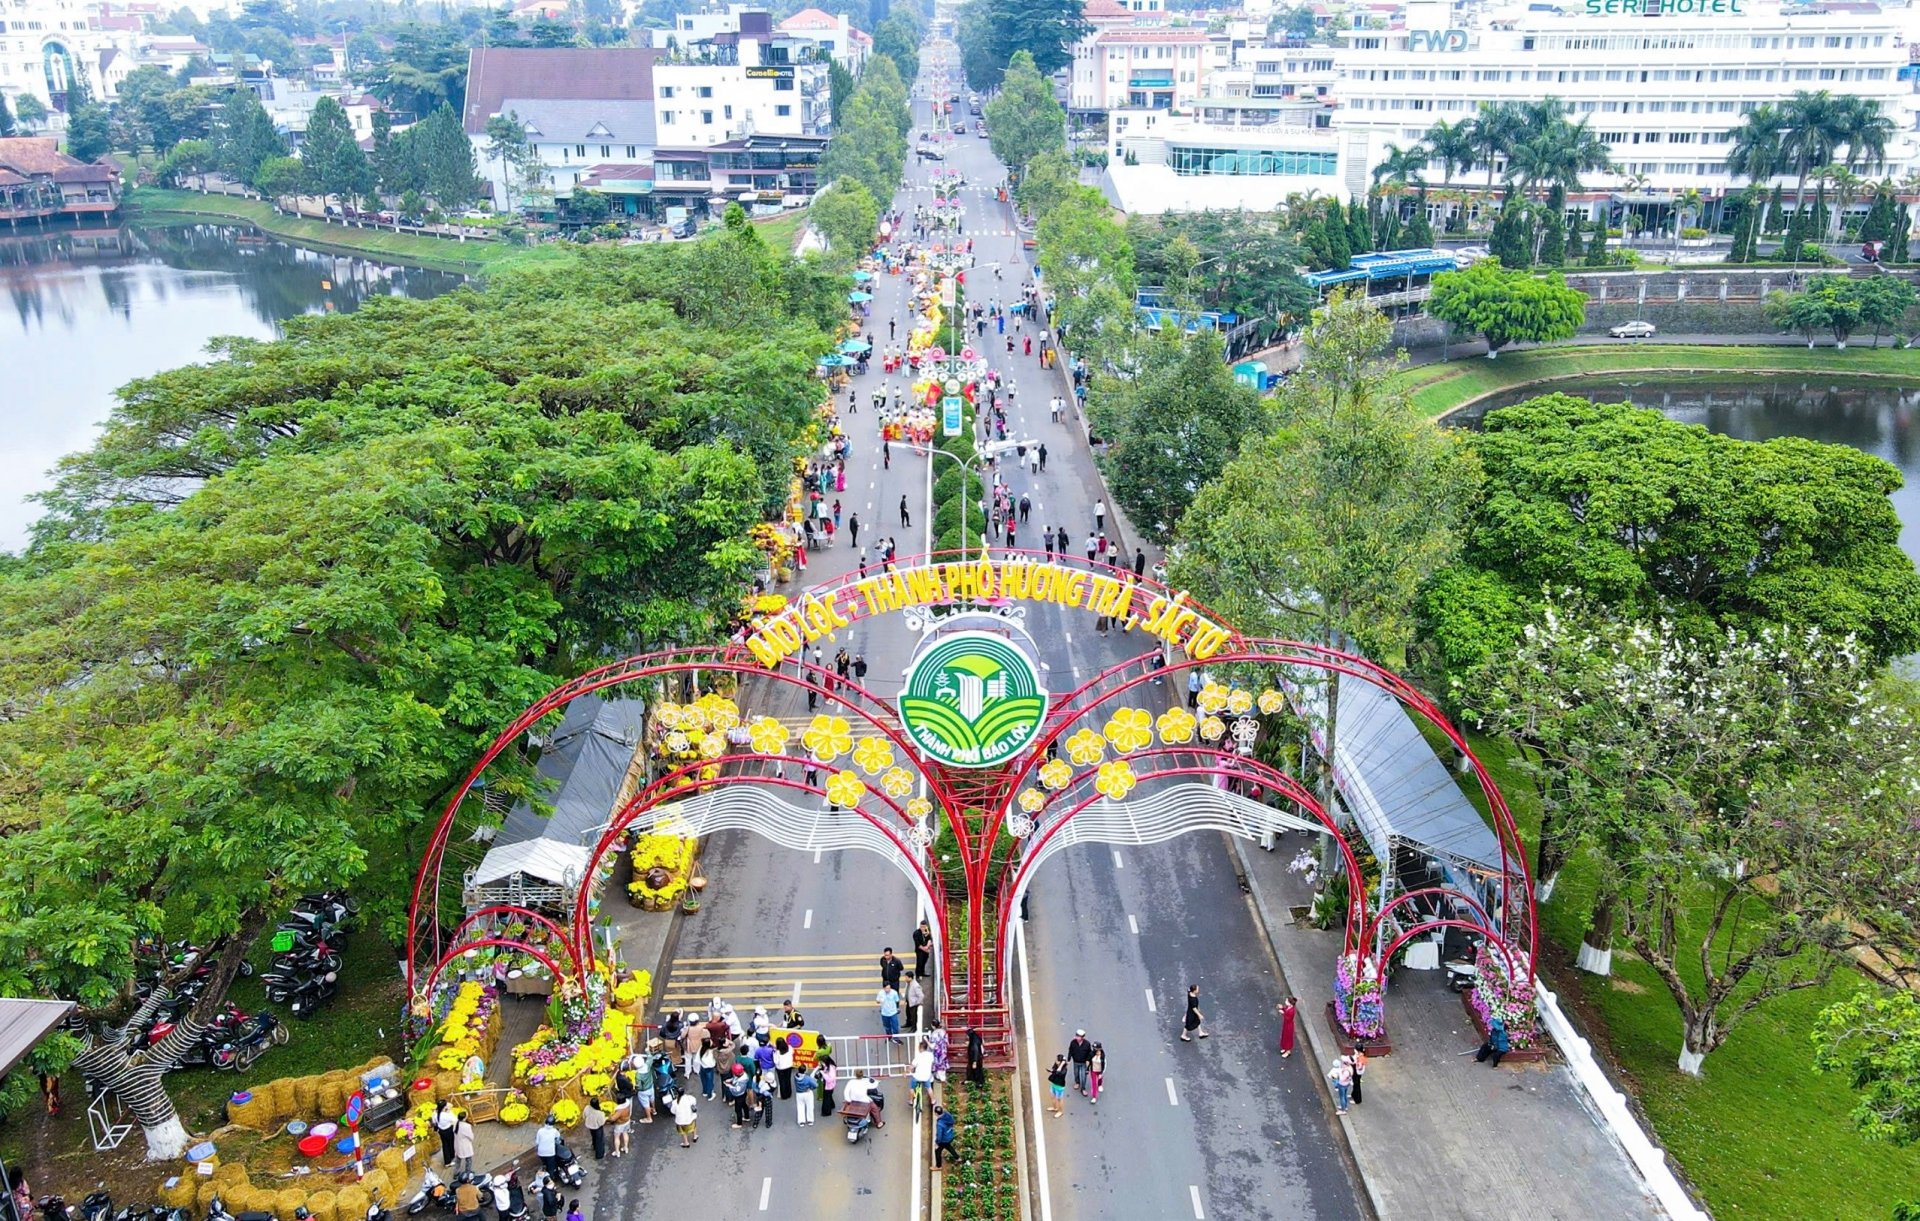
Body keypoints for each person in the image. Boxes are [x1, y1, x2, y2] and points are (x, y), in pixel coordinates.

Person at [724, 1063, 752, 1127]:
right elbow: (735, 1078)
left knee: (738, 1109)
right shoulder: (741, 1074)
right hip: (743, 1094)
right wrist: (730, 1080)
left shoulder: (742, 1081)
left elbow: (737, 1090)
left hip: (739, 1095)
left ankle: (739, 1123)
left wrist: (729, 1086)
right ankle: (747, 1117)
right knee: (744, 1105)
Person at [1066, 1030, 1093, 1094]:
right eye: (1076, 1036)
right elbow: (1070, 1051)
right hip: (1076, 1062)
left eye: (1079, 1036)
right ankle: (1077, 1082)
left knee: (1084, 1076)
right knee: (1076, 1073)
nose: (1077, 1037)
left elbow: (1090, 1053)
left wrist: (1088, 1061)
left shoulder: (1087, 1044)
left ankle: (1083, 1088)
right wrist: (1068, 1059)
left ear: (1082, 1037)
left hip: (1084, 1063)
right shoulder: (1073, 1042)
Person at [435, 1098, 458, 1167]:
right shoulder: (446, 1115)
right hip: (448, 1130)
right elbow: (455, 1119)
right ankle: (450, 1158)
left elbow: (434, 1121)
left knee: (445, 1145)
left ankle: (448, 1160)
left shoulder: (435, 1114)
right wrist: (449, 1111)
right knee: (450, 1144)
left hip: (441, 1130)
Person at [794, 1061, 818, 1125]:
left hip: (799, 1094)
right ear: (805, 1071)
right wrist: (811, 1088)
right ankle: (810, 1120)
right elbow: (815, 1085)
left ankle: (801, 1121)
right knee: (810, 1106)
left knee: (800, 1107)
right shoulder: (808, 1078)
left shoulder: (796, 1076)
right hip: (807, 1093)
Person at [453, 1111, 475, 1176]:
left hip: (457, 1144)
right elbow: (471, 1136)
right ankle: (468, 1173)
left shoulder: (456, 1123)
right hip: (465, 1145)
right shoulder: (467, 1126)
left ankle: (456, 1173)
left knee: (458, 1160)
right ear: (464, 1118)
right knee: (468, 1160)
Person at [774, 1035, 796, 1099]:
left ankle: (784, 1095)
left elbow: (776, 1062)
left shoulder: (777, 1052)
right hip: (789, 1066)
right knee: (788, 1079)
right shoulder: (790, 1047)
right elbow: (793, 1052)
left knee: (782, 1081)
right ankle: (789, 1093)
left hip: (780, 1068)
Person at [819, 1052, 839, 1116]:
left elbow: (830, 1079)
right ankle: (832, 1105)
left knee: (826, 1098)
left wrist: (822, 1073)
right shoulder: (829, 1066)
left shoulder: (831, 1068)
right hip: (829, 1085)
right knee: (829, 1096)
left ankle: (827, 1111)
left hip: (829, 1085)